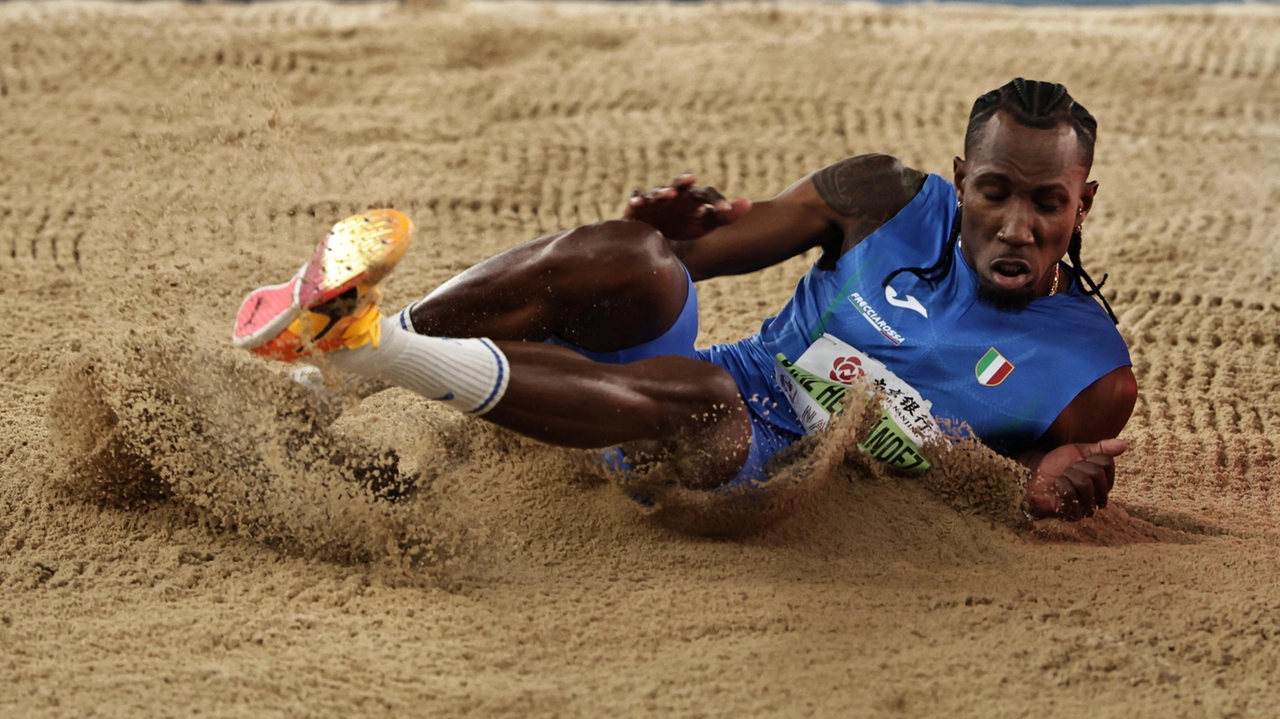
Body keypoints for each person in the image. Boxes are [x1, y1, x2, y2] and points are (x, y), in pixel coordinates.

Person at [233, 78, 1137, 523]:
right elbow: (701, 258)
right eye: (994, 193)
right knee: (635, 258)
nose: (1017, 225)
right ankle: (335, 376)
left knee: (708, 405)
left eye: (1046, 202)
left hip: (748, 471)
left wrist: (1037, 493)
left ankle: (368, 344)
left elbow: (1009, 502)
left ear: (1082, 203)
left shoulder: (1089, 376)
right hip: (686, 386)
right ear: (959, 181)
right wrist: (674, 233)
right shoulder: (886, 197)